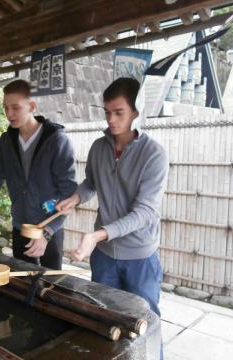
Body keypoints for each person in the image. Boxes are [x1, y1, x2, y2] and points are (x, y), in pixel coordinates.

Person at [56, 77, 169, 318]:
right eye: (107, 112)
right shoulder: (99, 148)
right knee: (104, 321)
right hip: (104, 257)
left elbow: (145, 213)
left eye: (119, 113)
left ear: (136, 112)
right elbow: (91, 183)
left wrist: (96, 235)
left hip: (140, 257)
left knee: (143, 325)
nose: (110, 120)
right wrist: (75, 198)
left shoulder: (154, 155)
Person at [0, 79, 76, 269]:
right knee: (22, 284)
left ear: (32, 106)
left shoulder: (57, 141)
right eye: (5, 108)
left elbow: (69, 194)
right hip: (20, 227)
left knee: (52, 288)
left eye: (15, 107)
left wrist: (48, 232)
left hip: (49, 229)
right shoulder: (6, 142)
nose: (9, 114)